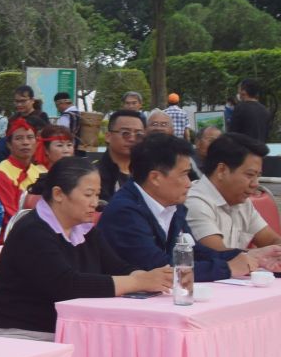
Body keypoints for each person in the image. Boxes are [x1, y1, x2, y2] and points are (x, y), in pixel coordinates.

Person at [0, 158, 174, 340]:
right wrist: (138, 282)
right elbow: (67, 285)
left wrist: (157, 278)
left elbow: (117, 267)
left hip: (66, 331)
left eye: (97, 195)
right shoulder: (32, 231)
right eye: (88, 195)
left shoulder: (85, 230)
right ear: (58, 194)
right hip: (19, 333)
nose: (95, 203)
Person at [97, 133, 254, 282]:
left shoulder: (173, 205)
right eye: (183, 174)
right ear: (155, 178)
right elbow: (160, 267)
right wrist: (227, 268)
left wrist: (245, 256)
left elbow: (195, 252)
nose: (189, 183)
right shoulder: (124, 212)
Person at [185, 133, 281, 264]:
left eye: (258, 176)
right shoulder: (195, 202)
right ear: (221, 170)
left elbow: (271, 240)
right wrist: (261, 254)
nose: (255, 184)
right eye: (250, 175)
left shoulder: (242, 201)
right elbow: (217, 253)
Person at [0, 119, 45, 217]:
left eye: (30, 137)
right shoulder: (0, 174)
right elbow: (10, 216)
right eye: (19, 138)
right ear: (9, 145)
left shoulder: (41, 171)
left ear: (36, 142)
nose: (25, 142)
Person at [0, 85, 43, 170]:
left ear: (32, 100)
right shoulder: (13, 119)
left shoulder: (41, 118)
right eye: (16, 101)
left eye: (23, 101)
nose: (19, 104)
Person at [93, 110, 144, 201]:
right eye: (126, 133)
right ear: (108, 136)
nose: (132, 139)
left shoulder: (147, 173)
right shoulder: (94, 174)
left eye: (138, 135)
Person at [229, 78, 272, 143]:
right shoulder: (265, 110)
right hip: (260, 148)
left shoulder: (240, 108)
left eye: (239, 89)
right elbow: (266, 134)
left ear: (244, 91)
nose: (238, 92)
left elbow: (232, 134)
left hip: (244, 148)